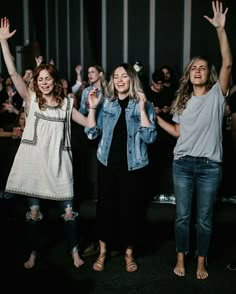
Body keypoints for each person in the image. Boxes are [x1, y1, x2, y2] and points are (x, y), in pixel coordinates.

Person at [0, 17, 96, 269]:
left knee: (68, 212)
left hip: (58, 162)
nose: (43, 82)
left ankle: (74, 251)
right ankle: (33, 253)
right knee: (33, 214)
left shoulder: (66, 104)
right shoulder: (30, 99)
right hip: (34, 162)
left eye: (47, 78)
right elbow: (12, 71)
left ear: (54, 80)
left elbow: (87, 123)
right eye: (39, 78)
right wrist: (2, 42)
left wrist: (94, 108)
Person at [156, 1, 232, 279]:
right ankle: (181, 258)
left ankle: (201, 262)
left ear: (207, 73)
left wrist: (220, 30)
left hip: (210, 167)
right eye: (194, 68)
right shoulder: (182, 101)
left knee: (204, 219)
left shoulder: (216, 95)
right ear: (188, 74)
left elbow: (228, 62)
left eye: (202, 67)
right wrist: (155, 119)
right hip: (183, 164)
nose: (198, 70)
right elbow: (178, 133)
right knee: (183, 217)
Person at [85, 63, 157, 272]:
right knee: (105, 208)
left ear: (131, 79)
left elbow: (150, 137)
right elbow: (91, 133)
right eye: (116, 76)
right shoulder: (106, 104)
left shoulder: (144, 104)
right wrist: (91, 107)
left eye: (124, 76)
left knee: (131, 210)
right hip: (107, 164)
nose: (119, 79)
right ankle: (103, 252)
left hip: (134, 167)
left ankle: (128, 254)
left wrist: (143, 110)